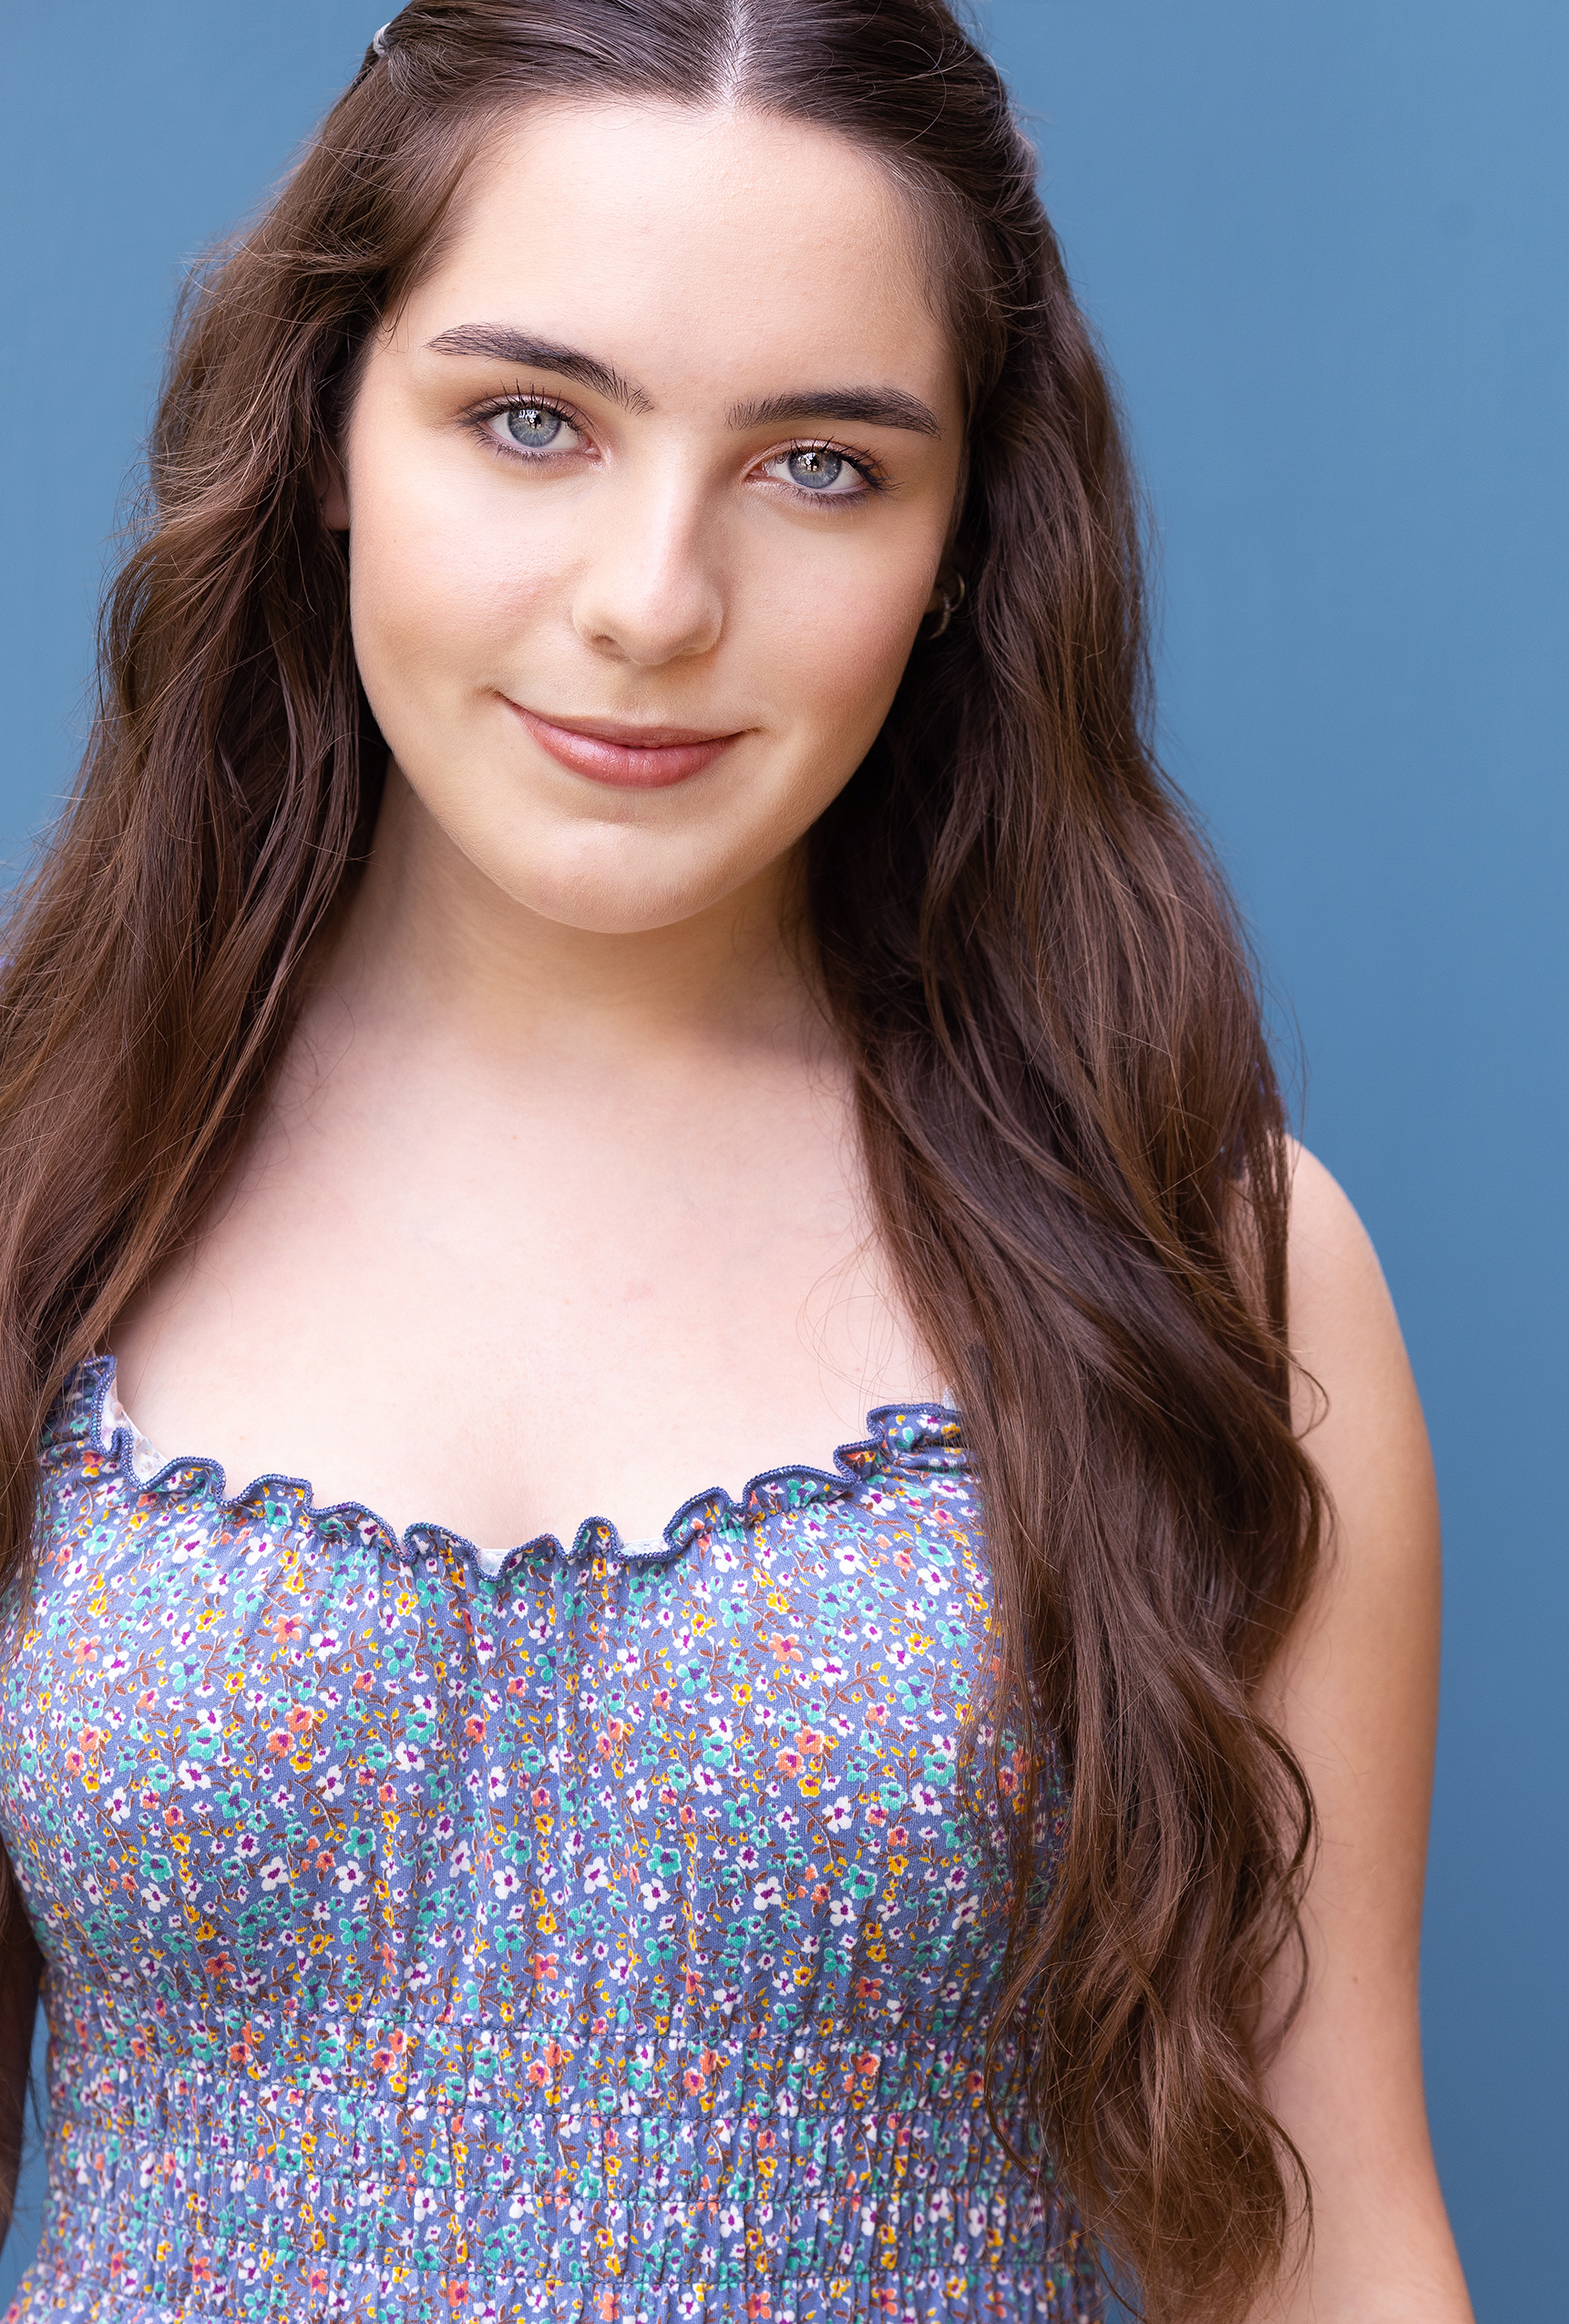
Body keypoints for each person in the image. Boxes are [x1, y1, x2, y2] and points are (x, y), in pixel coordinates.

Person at [0, 5, 1473, 2319]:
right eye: (529, 421)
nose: (652, 601)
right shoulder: (38, 1189)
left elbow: (1319, 2235)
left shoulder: (1212, 1265)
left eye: (819, 468)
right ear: (326, 438)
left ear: (968, 541)